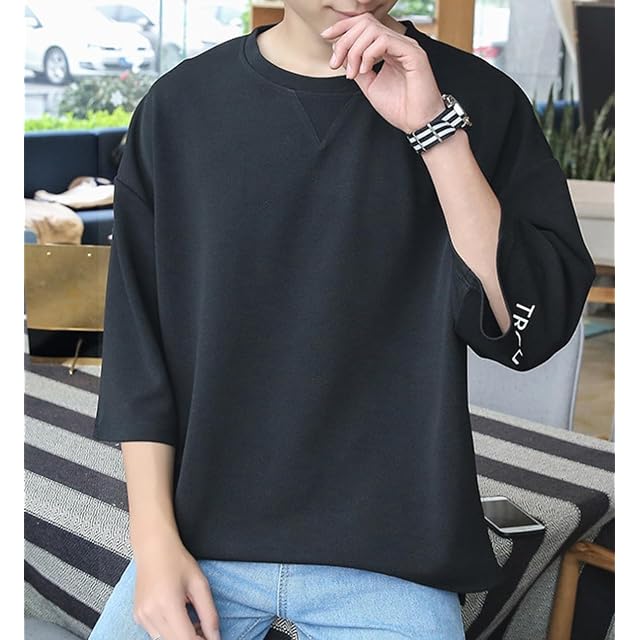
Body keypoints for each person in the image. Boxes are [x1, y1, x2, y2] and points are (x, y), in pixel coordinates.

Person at [88, 1, 596, 639]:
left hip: (394, 557)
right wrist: (154, 542)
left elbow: (531, 328)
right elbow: (139, 349)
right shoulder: (179, 108)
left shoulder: (480, 100)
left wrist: (436, 131)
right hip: (201, 540)